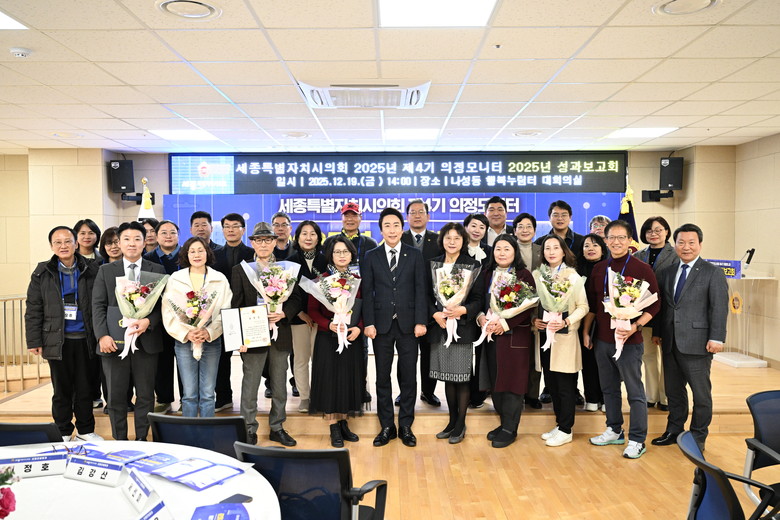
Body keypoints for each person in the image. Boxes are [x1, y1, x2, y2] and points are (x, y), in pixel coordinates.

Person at [582, 220, 660, 460]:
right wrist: (586, 331)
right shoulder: (599, 268)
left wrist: (636, 326)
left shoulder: (642, 268)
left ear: (629, 241)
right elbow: (593, 305)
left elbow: (655, 304)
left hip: (629, 341)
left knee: (635, 392)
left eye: (621, 237)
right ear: (605, 241)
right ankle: (614, 429)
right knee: (608, 388)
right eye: (612, 238)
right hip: (602, 340)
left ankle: (637, 439)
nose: (616, 242)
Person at [651, 224, 728, 451]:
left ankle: (697, 437)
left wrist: (717, 338)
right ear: (674, 245)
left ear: (700, 244)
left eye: (691, 243)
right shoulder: (667, 272)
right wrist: (657, 332)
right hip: (670, 342)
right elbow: (664, 307)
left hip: (698, 342)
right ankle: (674, 430)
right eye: (681, 242)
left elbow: (719, 307)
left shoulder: (712, 272)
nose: (686, 247)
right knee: (673, 392)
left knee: (701, 395)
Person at [25, 226, 103, 442]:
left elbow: (100, 304)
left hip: (86, 338)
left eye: (68, 241)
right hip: (57, 339)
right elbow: (33, 308)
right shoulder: (42, 272)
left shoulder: (92, 268)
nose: (63, 246)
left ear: (76, 244)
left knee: (85, 388)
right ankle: (63, 431)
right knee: (61, 389)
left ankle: (86, 430)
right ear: (51, 246)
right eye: (57, 242)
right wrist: (33, 340)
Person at [92, 221, 166, 441]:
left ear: (145, 243)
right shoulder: (106, 271)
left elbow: (164, 306)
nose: (131, 243)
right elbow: (97, 305)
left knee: (145, 395)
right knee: (115, 397)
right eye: (126, 239)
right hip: (114, 343)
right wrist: (102, 336)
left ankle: (142, 439)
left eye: (137, 239)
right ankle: (120, 440)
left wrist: (149, 321)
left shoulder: (157, 269)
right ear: (119, 243)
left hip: (146, 342)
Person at [230, 222, 303, 446]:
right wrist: (239, 338)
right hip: (252, 335)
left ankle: (277, 427)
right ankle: (248, 428)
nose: (263, 244)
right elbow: (236, 305)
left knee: (279, 384)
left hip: (280, 333)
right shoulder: (241, 270)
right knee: (250, 384)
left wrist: (284, 314)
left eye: (268, 240)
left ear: (274, 242)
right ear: (252, 243)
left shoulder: (287, 268)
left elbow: (297, 299)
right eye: (259, 240)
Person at [362, 208, 427, 448]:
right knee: (382, 377)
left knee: (408, 376)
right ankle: (387, 426)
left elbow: (421, 289)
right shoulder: (371, 255)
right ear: (381, 230)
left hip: (409, 325)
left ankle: (406, 426)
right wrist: (369, 322)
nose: (392, 230)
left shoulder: (414, 254)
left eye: (396, 225)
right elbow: (367, 292)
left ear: (402, 228)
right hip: (381, 326)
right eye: (387, 226)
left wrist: (421, 321)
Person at [161, 237, 232, 417]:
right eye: (192, 251)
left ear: (208, 253)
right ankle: (189, 432)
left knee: (208, 394)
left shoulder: (219, 279)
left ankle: (207, 432)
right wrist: (187, 333)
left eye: (200, 250)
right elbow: (168, 311)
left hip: (211, 341)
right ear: (186, 255)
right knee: (189, 395)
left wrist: (209, 331)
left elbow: (226, 309)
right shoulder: (176, 279)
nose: (197, 255)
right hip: (185, 342)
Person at [427, 223, 483, 444]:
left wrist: (464, 310)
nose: (452, 242)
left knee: (461, 378)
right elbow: (425, 295)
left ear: (463, 241)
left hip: (462, 329)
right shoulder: (433, 264)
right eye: (448, 238)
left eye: (457, 238)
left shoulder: (472, 265)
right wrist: (434, 314)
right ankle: (451, 421)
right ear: (441, 240)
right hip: (440, 327)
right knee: (448, 378)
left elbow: (479, 299)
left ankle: (460, 424)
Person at [477, 234, 536, 448]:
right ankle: (504, 423)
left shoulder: (523, 275)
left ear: (515, 252)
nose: (502, 253)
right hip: (491, 336)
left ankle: (510, 428)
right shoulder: (487, 273)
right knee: (496, 381)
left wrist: (505, 323)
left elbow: (528, 306)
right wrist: (480, 317)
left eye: (507, 249)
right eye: (498, 249)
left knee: (513, 383)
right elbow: (480, 301)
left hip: (515, 338)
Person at [307, 236, 363, 447]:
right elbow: (312, 310)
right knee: (330, 381)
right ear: (330, 255)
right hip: (327, 337)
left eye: (345, 251)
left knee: (347, 379)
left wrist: (359, 327)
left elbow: (365, 307)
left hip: (351, 337)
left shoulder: (357, 279)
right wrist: (327, 324)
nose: (342, 255)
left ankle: (344, 422)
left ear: (351, 254)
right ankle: (333, 426)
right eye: (337, 252)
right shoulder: (321, 280)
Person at [533, 235, 588, 447]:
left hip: (565, 338)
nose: (551, 252)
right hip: (545, 338)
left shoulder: (573, 276)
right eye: (547, 248)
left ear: (564, 251)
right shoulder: (538, 275)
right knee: (552, 385)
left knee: (565, 386)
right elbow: (532, 304)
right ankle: (559, 424)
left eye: (556, 248)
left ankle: (566, 429)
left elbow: (583, 307)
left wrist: (566, 321)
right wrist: (534, 321)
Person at [401, 199, 443, 408]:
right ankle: (404, 393)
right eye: (413, 212)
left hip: (432, 306)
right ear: (407, 217)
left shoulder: (438, 240)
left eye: (421, 212)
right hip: (405, 306)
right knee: (406, 355)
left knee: (429, 353)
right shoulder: (399, 238)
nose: (417, 216)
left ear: (428, 216)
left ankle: (428, 392)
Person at [212, 213, 255, 413]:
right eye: (227, 226)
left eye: (235, 226)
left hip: (247, 312)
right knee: (222, 358)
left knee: (252, 359)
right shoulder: (214, 254)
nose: (231, 230)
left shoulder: (252, 253)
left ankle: (250, 402)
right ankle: (223, 397)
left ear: (243, 230)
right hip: (222, 313)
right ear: (222, 230)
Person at [634, 216, 677, 412]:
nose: (654, 234)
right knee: (648, 356)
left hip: (667, 313)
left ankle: (666, 396)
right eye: (649, 230)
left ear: (667, 232)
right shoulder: (638, 255)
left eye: (658, 230)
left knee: (667, 357)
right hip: (645, 314)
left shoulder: (675, 255)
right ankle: (651, 395)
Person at [286, 220, 328, 413]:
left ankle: (320, 395)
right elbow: (286, 292)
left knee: (321, 359)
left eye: (313, 234)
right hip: (298, 319)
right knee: (301, 359)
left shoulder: (326, 260)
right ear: (297, 237)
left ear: (318, 238)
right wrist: (300, 312)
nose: (308, 237)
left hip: (322, 319)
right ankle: (304, 397)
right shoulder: (290, 262)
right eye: (304, 233)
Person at [144, 219, 182, 414]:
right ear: (156, 236)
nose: (168, 236)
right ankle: (164, 398)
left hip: (184, 318)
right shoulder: (147, 259)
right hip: (157, 319)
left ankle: (187, 399)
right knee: (161, 361)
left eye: (172, 232)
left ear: (178, 235)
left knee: (185, 360)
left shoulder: (188, 255)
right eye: (164, 233)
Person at [512, 212, 544, 409]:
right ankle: (516, 392)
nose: (525, 230)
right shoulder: (508, 248)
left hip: (539, 308)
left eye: (528, 226)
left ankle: (532, 394)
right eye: (520, 226)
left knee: (534, 353)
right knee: (517, 354)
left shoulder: (542, 250)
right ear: (514, 230)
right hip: (512, 308)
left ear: (534, 230)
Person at [463, 213, 492, 408]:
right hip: (462, 309)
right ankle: (464, 392)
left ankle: (479, 393)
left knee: (483, 353)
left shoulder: (490, 251)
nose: (477, 230)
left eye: (482, 227)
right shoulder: (457, 248)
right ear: (466, 227)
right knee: (464, 353)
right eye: (473, 226)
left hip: (485, 308)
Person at [578, 233, 608, 412]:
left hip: (605, 321)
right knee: (587, 360)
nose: (590, 249)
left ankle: (606, 398)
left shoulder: (610, 268)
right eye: (586, 246)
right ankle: (591, 397)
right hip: (581, 321)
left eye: (595, 245)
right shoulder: (575, 271)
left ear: (603, 250)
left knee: (605, 361)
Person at [322, 202, 378, 267]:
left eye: (354, 216)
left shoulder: (370, 244)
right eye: (346, 216)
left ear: (360, 218)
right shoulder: (329, 242)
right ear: (341, 218)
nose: (350, 219)